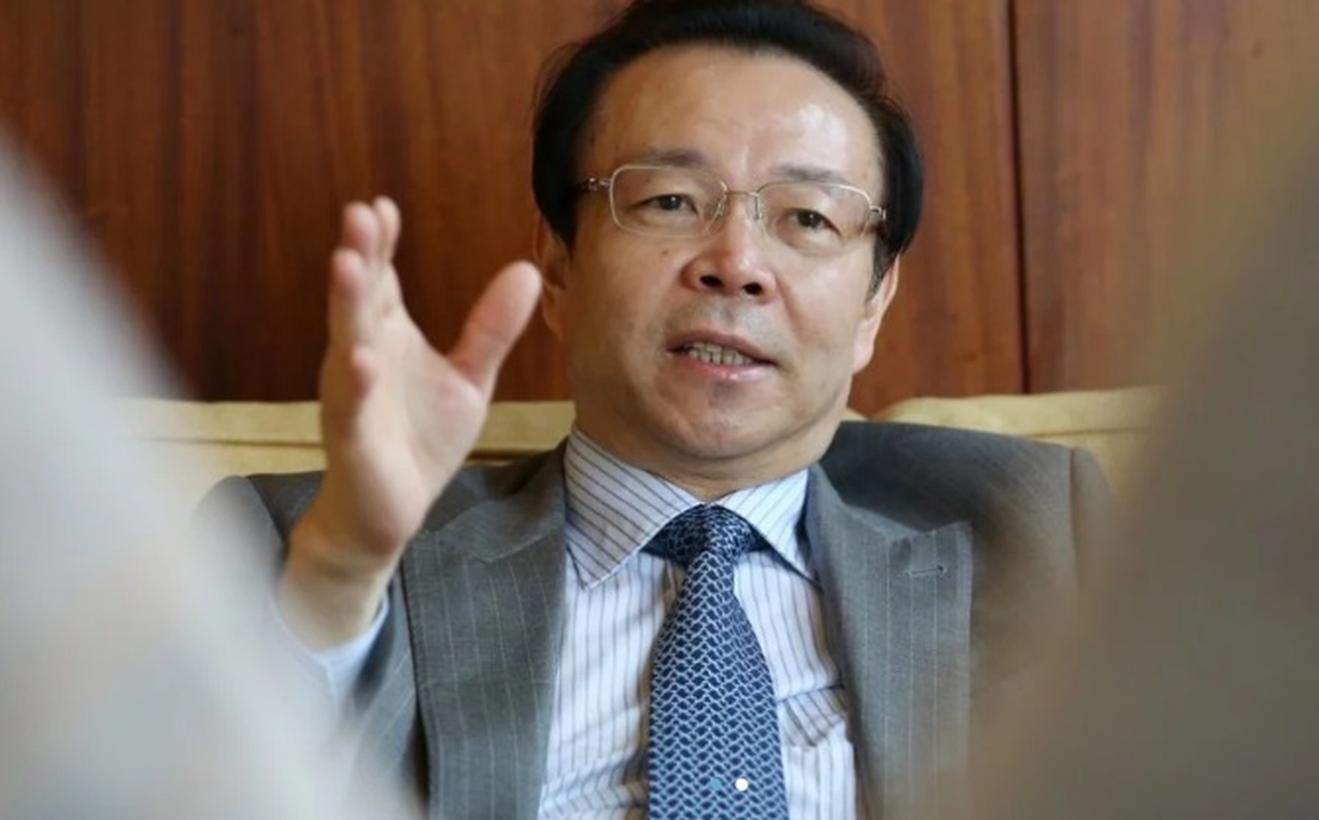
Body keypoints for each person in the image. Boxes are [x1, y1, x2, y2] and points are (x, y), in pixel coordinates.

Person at [202, 1, 1109, 817]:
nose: (736, 264)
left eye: (806, 218)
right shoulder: (315, 544)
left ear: (874, 301)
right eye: (670, 200)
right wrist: (343, 567)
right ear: (560, 266)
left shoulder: (1035, 528)